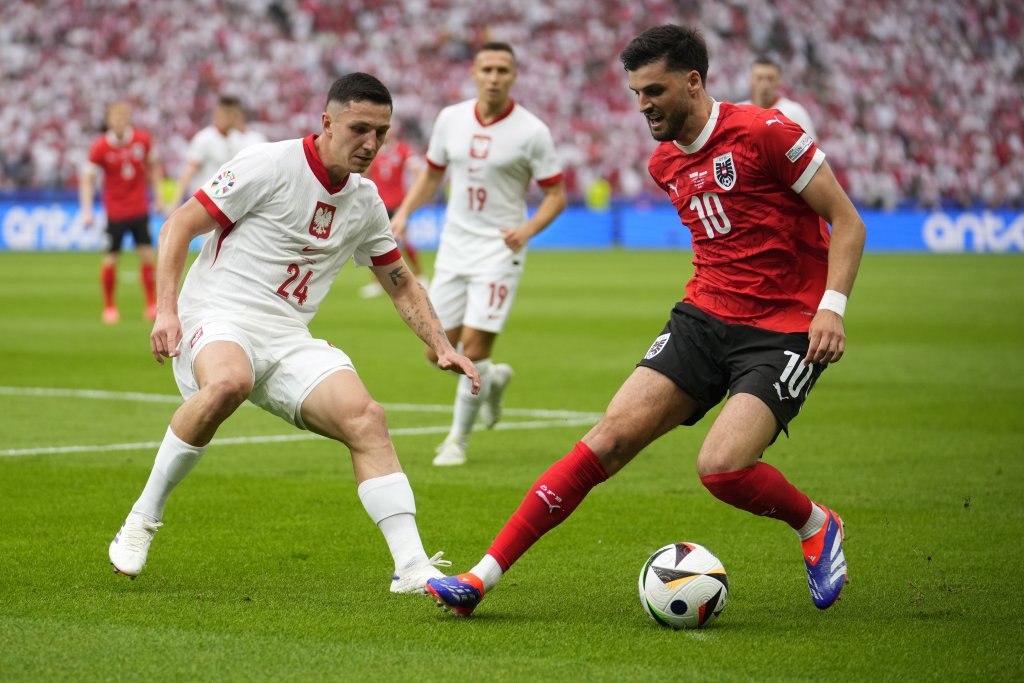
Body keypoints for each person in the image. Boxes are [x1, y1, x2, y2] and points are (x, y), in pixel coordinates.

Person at [425, 25, 866, 616]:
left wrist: (831, 307)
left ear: (693, 81)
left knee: (722, 469)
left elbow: (847, 220)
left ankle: (815, 523)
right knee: (606, 440)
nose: (643, 105)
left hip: (786, 328)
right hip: (704, 317)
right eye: (635, 92)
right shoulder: (664, 162)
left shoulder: (767, 132)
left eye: (654, 90)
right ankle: (479, 578)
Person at [107, 73, 481, 595]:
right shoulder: (269, 163)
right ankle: (141, 519)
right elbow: (178, 226)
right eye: (359, 128)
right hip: (218, 314)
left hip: (286, 335)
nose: (371, 143)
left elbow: (400, 281)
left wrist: (441, 344)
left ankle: (412, 568)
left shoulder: (366, 200)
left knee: (367, 419)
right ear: (326, 122)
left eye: (381, 132)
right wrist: (166, 312)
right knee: (229, 382)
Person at [390, 41, 567, 467]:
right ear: (474, 72)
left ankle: (457, 441)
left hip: (499, 251)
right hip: (454, 246)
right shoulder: (450, 119)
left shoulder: (532, 131)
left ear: (514, 76)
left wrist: (526, 230)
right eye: (487, 69)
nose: (494, 77)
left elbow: (556, 195)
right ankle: (492, 381)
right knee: (436, 351)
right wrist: (405, 213)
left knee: (474, 347)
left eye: (503, 70)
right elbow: (432, 175)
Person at [79, 101, 164, 323]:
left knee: (147, 256)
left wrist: (159, 197)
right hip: (115, 212)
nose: (118, 123)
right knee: (111, 259)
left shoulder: (142, 140)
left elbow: (155, 167)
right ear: (108, 122)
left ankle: (151, 304)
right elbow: (87, 178)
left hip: (139, 208)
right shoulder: (100, 147)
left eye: (122, 118)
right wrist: (87, 210)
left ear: (128, 120)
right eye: (114, 119)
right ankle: (109, 307)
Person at [359, 125, 426, 298]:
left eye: (389, 130)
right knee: (374, 243)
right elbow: (365, 173)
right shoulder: (374, 151)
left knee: (404, 239)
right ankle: (376, 283)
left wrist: (416, 188)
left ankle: (419, 275)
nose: (387, 133)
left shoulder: (403, 149)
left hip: (398, 204)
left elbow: (417, 169)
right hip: (378, 203)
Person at [167, 96, 265, 211]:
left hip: (225, 204)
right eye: (225, 113)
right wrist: (175, 205)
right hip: (203, 203)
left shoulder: (236, 139)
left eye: (232, 114)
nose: (229, 117)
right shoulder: (205, 138)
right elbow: (188, 173)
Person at [742, 56, 817, 139]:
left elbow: (811, 144)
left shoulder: (795, 112)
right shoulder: (739, 112)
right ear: (750, 81)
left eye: (770, 79)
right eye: (759, 78)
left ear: (779, 82)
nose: (765, 84)